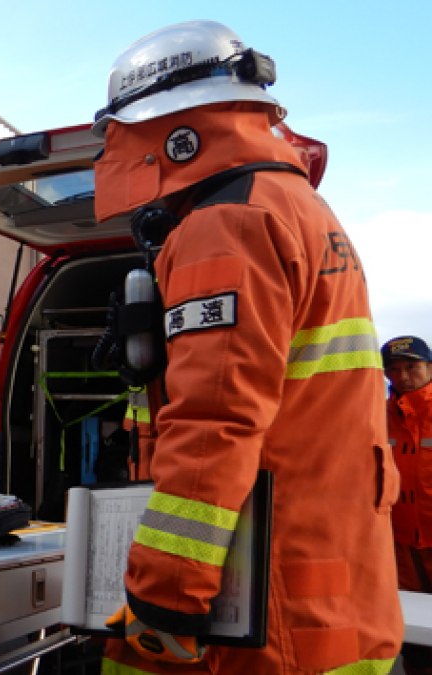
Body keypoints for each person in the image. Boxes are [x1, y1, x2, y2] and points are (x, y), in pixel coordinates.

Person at [91, 21, 401, 673]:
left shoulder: (229, 224)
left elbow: (214, 423)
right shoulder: (297, 209)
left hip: (271, 621)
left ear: (170, 133)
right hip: (331, 601)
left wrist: (163, 601)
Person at [383, 336, 432, 674]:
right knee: (412, 635)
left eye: (412, 366)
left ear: (429, 367)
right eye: (394, 369)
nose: (402, 376)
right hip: (398, 544)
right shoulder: (376, 415)